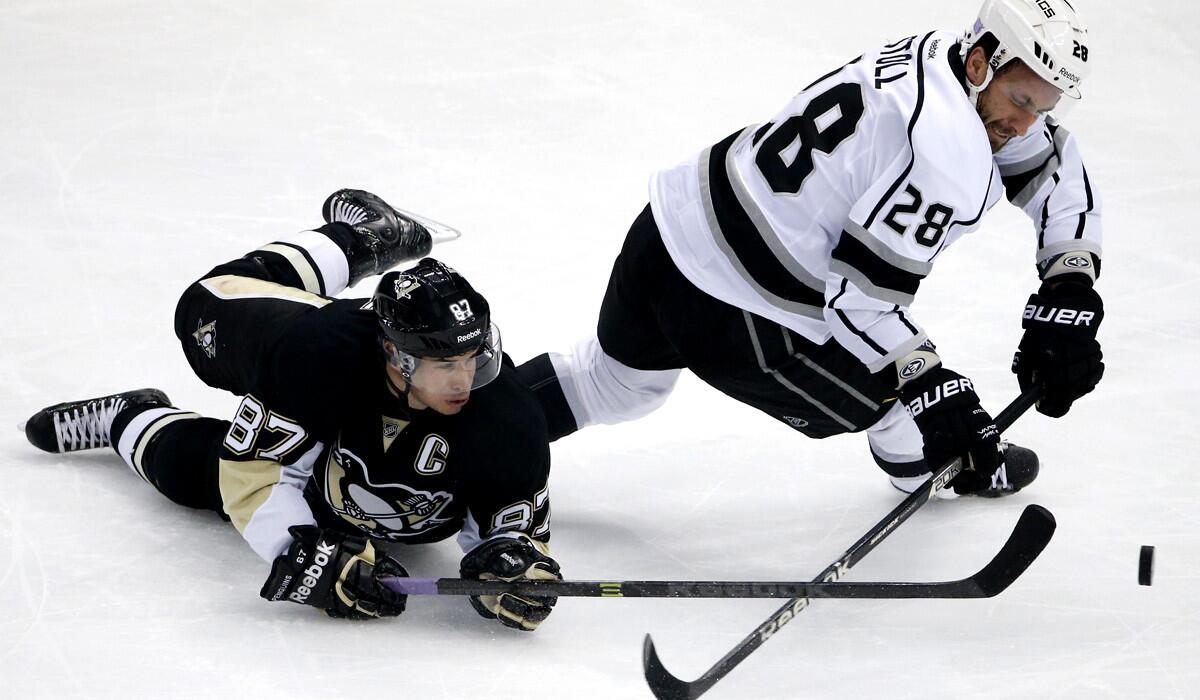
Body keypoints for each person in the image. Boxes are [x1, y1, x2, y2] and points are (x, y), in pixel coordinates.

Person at [519, 0, 1104, 497]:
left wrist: (1069, 281)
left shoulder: (942, 55)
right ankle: (927, 461)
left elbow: (1048, 165)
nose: (1027, 125)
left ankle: (448, 438)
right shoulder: (944, 155)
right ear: (982, 64)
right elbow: (861, 307)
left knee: (613, 383)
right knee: (903, 398)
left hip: (670, 226)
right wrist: (934, 389)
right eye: (1022, 102)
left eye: (1044, 107)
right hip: (740, 315)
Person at [23, 190, 561, 630]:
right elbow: (251, 479)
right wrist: (300, 550)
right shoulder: (317, 357)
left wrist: (510, 570)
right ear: (393, 353)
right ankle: (358, 240)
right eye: (445, 362)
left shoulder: (506, 411)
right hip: (322, 434)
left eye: (473, 355)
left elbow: (513, 530)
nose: (465, 377)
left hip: (376, 488)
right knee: (199, 325)